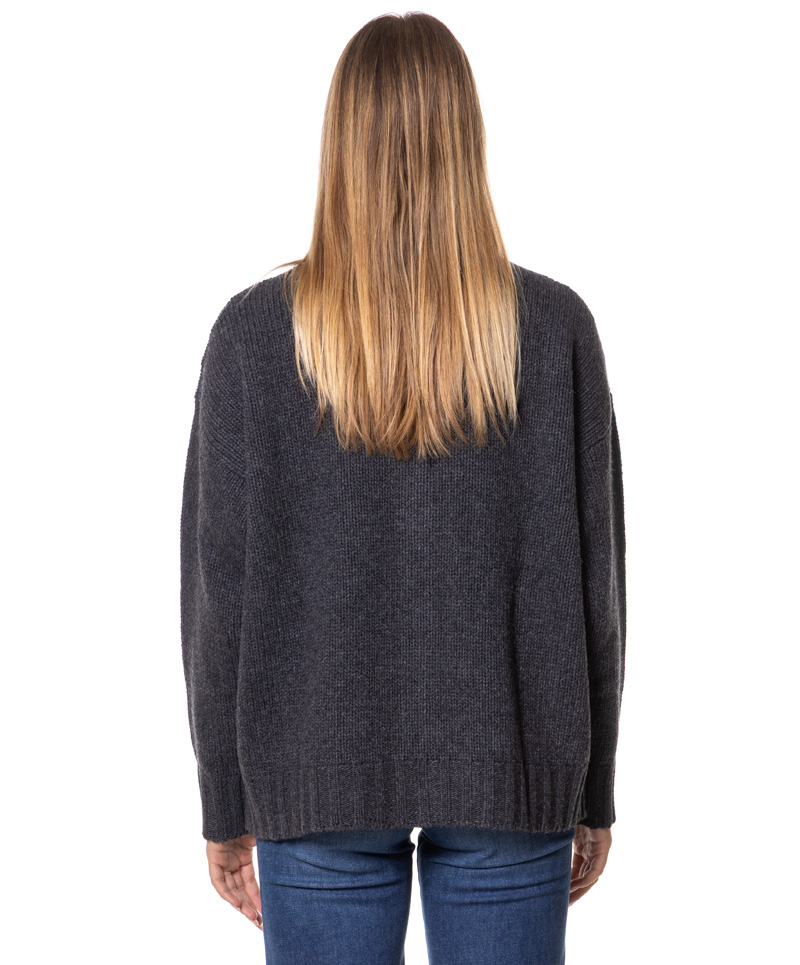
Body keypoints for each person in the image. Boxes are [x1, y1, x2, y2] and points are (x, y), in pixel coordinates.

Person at [179, 11, 626, 964]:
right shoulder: (554, 330)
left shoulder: (254, 336)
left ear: (338, 142)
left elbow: (218, 592)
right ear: (467, 138)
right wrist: (591, 790)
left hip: (313, 770)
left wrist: (224, 800)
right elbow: (598, 589)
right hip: (510, 768)